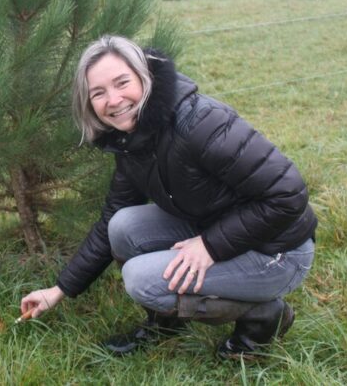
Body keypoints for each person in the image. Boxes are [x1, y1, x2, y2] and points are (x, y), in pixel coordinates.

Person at [20, 35, 317, 359]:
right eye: (99, 93)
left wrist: (210, 246)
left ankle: (263, 317)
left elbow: (288, 195)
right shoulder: (131, 140)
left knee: (141, 279)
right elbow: (110, 220)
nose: (114, 100)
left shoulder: (200, 123)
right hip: (217, 225)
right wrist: (59, 290)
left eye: (122, 83)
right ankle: (167, 322)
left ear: (144, 77)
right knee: (122, 226)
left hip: (279, 251)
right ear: (88, 103)